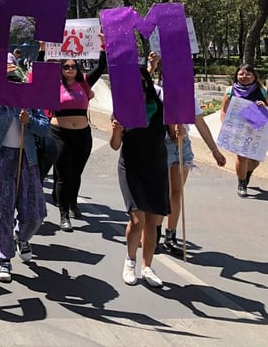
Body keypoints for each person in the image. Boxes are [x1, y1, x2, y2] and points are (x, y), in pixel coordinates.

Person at [0, 67, 49, 283]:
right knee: (2, 212)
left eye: (16, 80)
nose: (13, 84)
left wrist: (30, 121)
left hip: (27, 159)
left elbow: (44, 128)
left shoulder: (32, 101)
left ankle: (22, 237)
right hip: (0, 158)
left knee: (34, 213)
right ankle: (4, 259)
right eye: (8, 80)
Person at [110, 67, 182, 288]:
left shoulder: (162, 107)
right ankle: (130, 261)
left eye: (142, 81)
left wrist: (179, 132)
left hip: (156, 167)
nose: (138, 85)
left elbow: (174, 138)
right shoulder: (122, 107)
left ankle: (147, 266)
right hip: (131, 167)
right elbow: (115, 146)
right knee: (137, 219)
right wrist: (116, 130)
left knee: (152, 221)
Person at [147, 54, 227, 255]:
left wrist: (214, 151)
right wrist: (151, 66)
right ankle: (154, 234)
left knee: (176, 193)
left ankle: (170, 235)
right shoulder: (157, 92)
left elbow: (200, 123)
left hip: (182, 147)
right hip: (159, 146)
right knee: (161, 193)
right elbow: (140, 87)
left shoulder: (188, 96)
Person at [50, 46, 107, 232]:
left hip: (82, 135)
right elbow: (38, 70)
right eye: (66, 66)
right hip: (60, 134)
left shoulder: (84, 83)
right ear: (60, 69)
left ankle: (73, 204)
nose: (70, 69)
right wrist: (42, 50)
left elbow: (100, 67)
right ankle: (64, 214)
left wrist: (103, 46)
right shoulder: (53, 84)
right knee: (63, 176)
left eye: (73, 66)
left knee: (76, 174)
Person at [220, 64, 266, 197]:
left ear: (254, 76)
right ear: (236, 76)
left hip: (256, 130)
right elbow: (224, 111)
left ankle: (246, 174)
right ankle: (241, 183)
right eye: (241, 74)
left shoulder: (262, 91)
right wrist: (225, 125)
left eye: (248, 74)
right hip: (237, 130)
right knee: (241, 156)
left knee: (255, 160)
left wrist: (264, 105)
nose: (244, 76)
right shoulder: (230, 91)